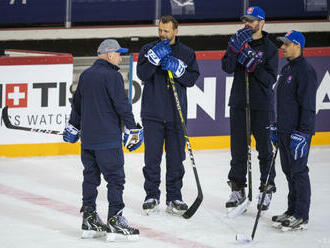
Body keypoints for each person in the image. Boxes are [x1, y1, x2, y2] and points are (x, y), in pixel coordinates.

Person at [63, 39, 143, 241]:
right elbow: (122, 105)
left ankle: (89, 218)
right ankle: (115, 220)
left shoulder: (86, 75)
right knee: (115, 180)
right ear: (109, 55)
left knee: (90, 178)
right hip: (108, 141)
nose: (120, 58)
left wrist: (73, 126)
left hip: (88, 141)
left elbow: (77, 106)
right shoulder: (112, 76)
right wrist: (132, 128)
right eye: (118, 54)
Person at [137, 15, 200, 215]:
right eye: (160, 30)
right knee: (152, 159)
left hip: (176, 115)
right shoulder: (148, 49)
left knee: (175, 159)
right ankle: (152, 195)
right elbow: (142, 74)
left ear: (175, 31)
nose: (163, 34)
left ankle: (174, 197)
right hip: (152, 114)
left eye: (166, 30)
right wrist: (153, 60)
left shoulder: (187, 53)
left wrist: (180, 70)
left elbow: (191, 79)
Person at [221, 6, 279, 213]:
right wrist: (234, 50)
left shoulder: (270, 48)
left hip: (261, 105)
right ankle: (237, 189)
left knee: (264, 150)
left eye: (252, 20)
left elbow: (270, 80)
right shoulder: (237, 40)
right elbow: (227, 67)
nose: (248, 24)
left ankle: (266, 188)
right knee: (238, 150)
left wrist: (254, 65)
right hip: (238, 103)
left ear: (262, 22)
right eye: (246, 20)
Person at [271, 31, 317, 231]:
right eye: (282, 44)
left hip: (298, 133)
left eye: (286, 44)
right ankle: (291, 210)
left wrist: (304, 134)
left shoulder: (305, 71)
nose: (282, 48)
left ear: (297, 46)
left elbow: (307, 105)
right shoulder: (287, 68)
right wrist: (276, 125)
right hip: (284, 130)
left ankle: (301, 215)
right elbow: (284, 102)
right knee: (288, 172)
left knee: (299, 172)